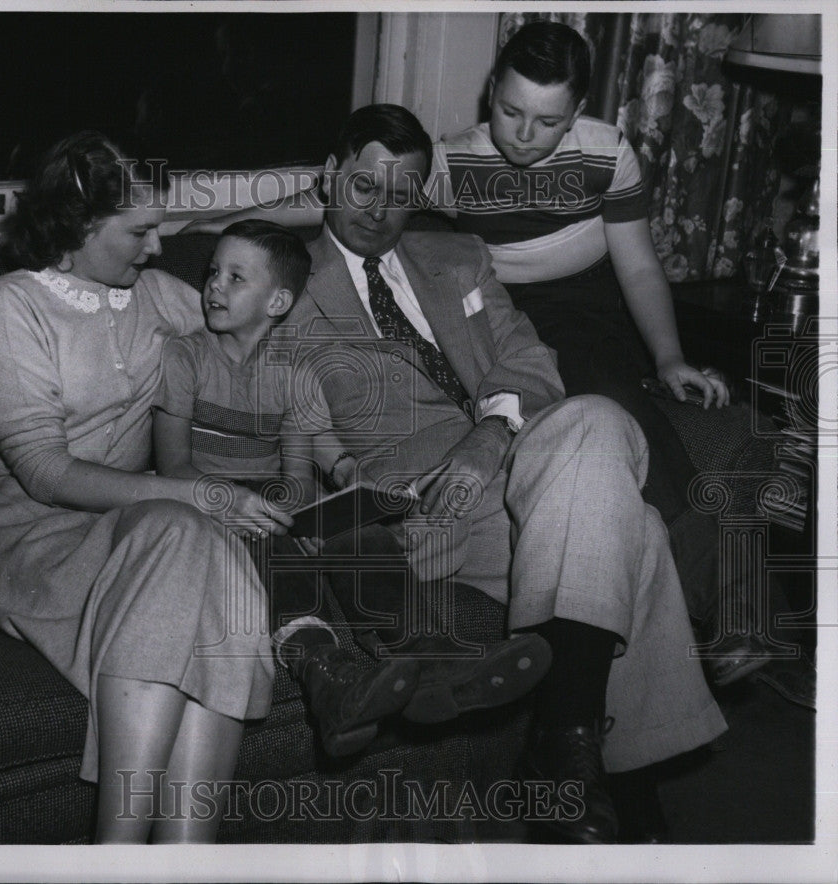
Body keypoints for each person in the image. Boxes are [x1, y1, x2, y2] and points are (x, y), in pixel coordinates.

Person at [267, 103, 726, 844]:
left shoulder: (458, 257)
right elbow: (261, 417)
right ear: (330, 178)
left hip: (525, 455)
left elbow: (533, 359)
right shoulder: (279, 282)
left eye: (402, 195)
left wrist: (491, 431)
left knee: (596, 419)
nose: (381, 212)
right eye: (363, 188)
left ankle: (564, 753)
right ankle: (609, 784)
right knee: (630, 524)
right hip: (428, 504)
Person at [0, 131, 276, 844]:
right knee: (188, 529)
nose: (158, 247)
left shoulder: (154, 294)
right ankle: (120, 853)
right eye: (140, 231)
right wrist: (191, 494)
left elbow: (262, 339)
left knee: (198, 545)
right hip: (24, 527)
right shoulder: (11, 306)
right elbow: (42, 469)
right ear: (77, 225)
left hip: (136, 529)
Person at [424, 21, 765, 683]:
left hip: (590, 306)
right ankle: (727, 612)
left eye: (547, 122)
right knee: (598, 404)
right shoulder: (451, 163)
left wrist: (668, 358)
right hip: (504, 316)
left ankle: (731, 612)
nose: (523, 135)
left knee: (612, 396)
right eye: (510, 111)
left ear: (578, 112)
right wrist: (216, 211)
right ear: (490, 91)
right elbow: (355, 193)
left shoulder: (608, 150)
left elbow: (637, 267)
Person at [152, 218, 551, 757]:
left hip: (266, 502)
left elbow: (295, 477)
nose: (214, 286)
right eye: (212, 273)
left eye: (235, 278)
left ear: (277, 303)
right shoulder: (184, 359)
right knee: (272, 546)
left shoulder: (294, 374)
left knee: (351, 527)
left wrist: (313, 510)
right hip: (202, 506)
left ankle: (431, 659)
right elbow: (173, 465)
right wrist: (238, 502)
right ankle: (329, 679)